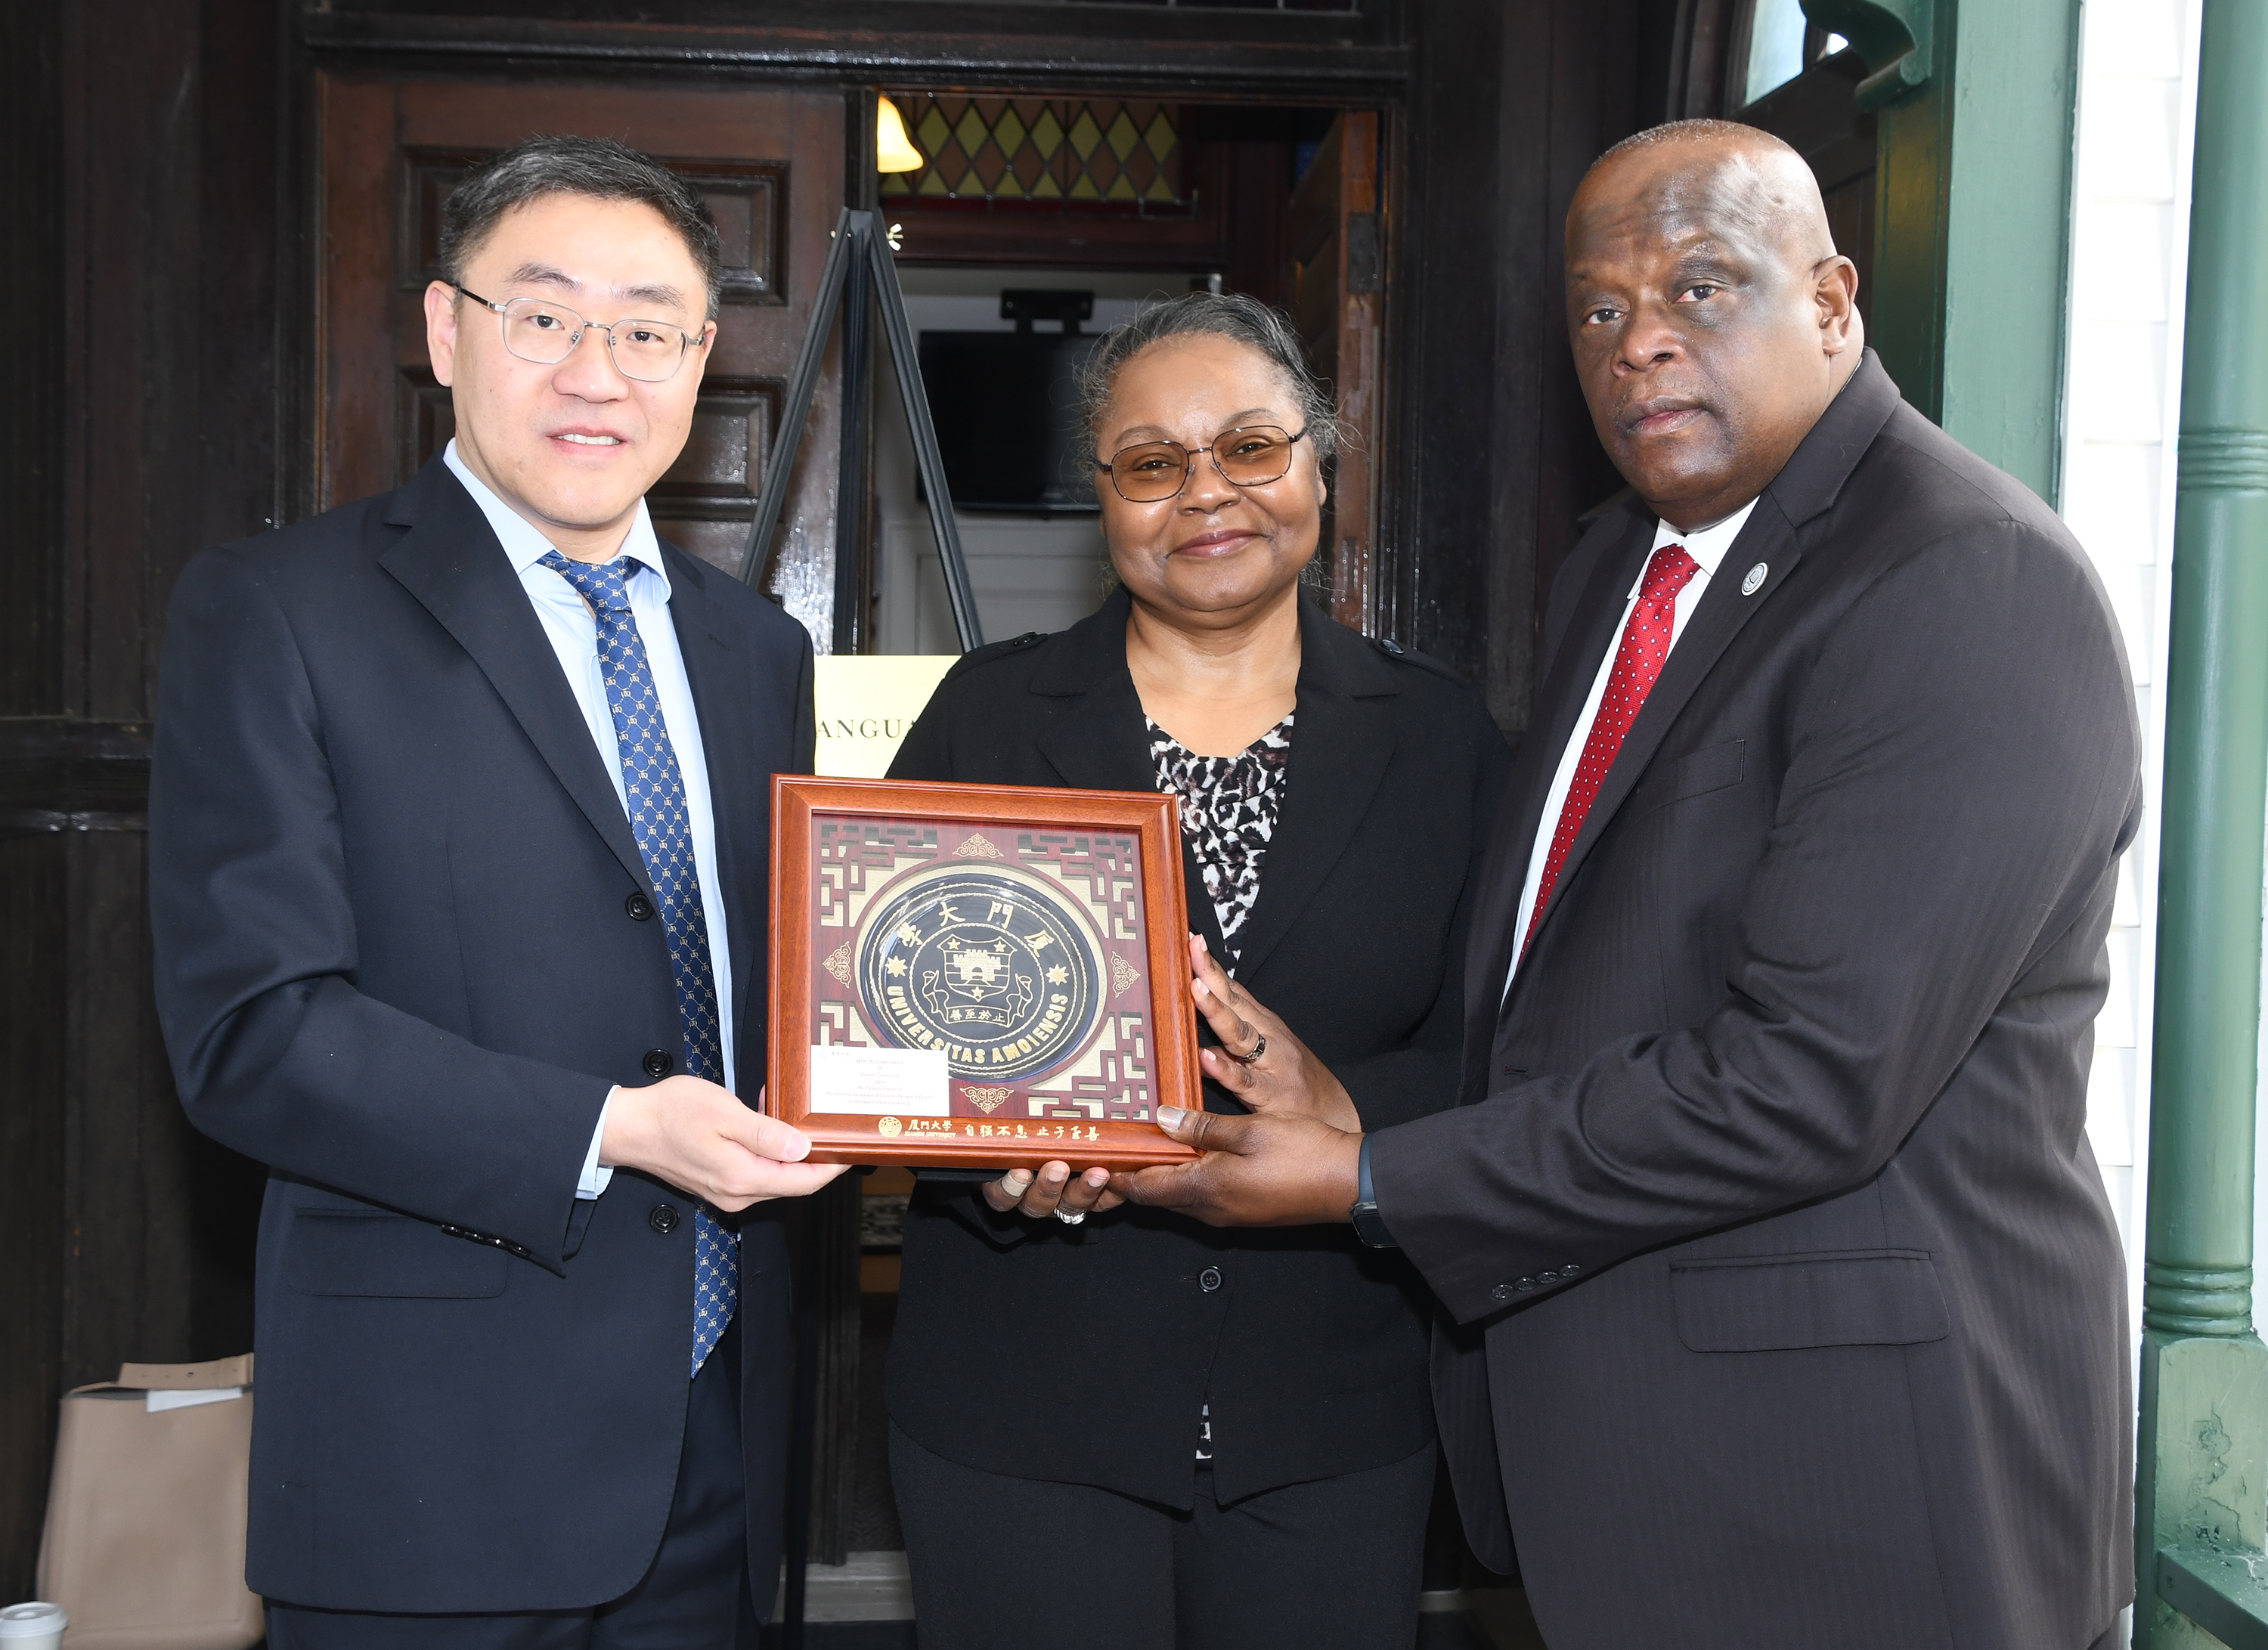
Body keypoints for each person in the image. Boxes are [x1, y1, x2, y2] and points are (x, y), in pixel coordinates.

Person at [1114, 121, 2139, 1650]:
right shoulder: (1624, 568)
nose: (1643, 342)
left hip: (1857, 1482)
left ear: (1836, 302)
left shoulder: (1963, 576)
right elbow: (1577, 993)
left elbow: (1808, 1079)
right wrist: (1352, 1109)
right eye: (1600, 310)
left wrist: (1373, 1181)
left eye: (1702, 287)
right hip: (1643, 1461)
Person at [148, 136, 844, 1645]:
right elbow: (251, 1034)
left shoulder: (757, 654)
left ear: (703, 360)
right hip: (432, 1469)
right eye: (545, 316)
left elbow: (774, 991)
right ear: (446, 330)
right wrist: (611, 1129)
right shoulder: (277, 610)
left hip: (718, 1453)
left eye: (648, 327)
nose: (599, 369)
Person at [881, 293, 1513, 1650]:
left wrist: (1342, 1102)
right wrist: (984, 1151)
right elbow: (878, 1021)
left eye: (1249, 448)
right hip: (1025, 1405)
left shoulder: (1444, 739)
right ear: (1104, 499)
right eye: (1154, 464)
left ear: (1318, 468)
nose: (1206, 495)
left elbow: (1504, 1051)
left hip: (1332, 1414)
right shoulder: (985, 715)